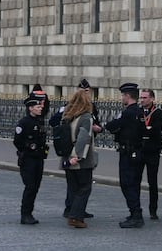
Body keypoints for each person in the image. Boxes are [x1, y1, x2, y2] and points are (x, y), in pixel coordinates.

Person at [104, 82, 147, 228]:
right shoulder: (139, 111)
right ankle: (135, 212)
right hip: (137, 151)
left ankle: (136, 214)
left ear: (128, 96)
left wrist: (105, 126)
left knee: (127, 184)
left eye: (123, 95)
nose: (122, 98)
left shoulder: (128, 112)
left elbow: (114, 125)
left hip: (128, 152)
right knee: (134, 184)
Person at [62, 87, 98, 229]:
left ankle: (73, 212)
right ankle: (76, 217)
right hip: (80, 160)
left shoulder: (67, 116)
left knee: (73, 187)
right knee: (84, 188)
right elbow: (84, 139)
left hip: (66, 157)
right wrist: (77, 156)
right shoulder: (85, 117)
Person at [14, 93, 49, 225]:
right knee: (30, 186)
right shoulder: (23, 122)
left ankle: (30, 212)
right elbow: (17, 141)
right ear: (30, 108)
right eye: (37, 106)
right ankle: (25, 214)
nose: (40, 108)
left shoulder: (39, 121)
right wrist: (28, 147)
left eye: (40, 106)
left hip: (38, 158)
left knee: (36, 187)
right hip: (28, 159)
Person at [138, 88, 162, 219]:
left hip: (152, 151)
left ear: (152, 98)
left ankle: (153, 210)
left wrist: (145, 130)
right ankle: (136, 209)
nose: (142, 100)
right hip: (139, 150)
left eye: (145, 97)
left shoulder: (157, 112)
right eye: (141, 97)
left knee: (152, 182)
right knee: (135, 180)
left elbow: (155, 130)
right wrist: (146, 129)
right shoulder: (137, 111)